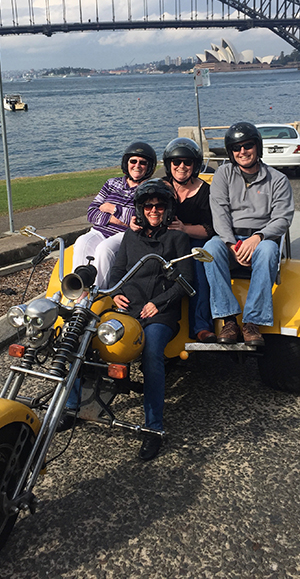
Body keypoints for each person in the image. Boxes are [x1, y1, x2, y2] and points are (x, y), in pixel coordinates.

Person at [109, 178, 194, 461]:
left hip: (161, 313)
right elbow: (117, 269)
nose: (154, 210)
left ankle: (153, 428)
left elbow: (185, 282)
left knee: (152, 353)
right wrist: (116, 293)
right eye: (148, 206)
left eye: (159, 205)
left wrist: (157, 304)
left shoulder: (178, 239)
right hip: (129, 308)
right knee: (90, 341)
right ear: (140, 209)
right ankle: (73, 406)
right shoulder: (130, 236)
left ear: (167, 208)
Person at [204, 122, 294, 346]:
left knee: (268, 249)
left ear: (257, 146)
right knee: (209, 249)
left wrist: (258, 238)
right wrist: (231, 243)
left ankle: (253, 322)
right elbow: (220, 211)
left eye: (247, 145)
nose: (242, 151)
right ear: (231, 152)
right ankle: (228, 319)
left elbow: (282, 218)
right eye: (236, 148)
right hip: (230, 239)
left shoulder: (278, 180)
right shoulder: (223, 174)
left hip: (260, 239)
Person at [71, 141, 157, 287]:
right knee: (81, 242)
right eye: (133, 161)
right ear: (126, 163)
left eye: (142, 163)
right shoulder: (111, 183)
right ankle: (76, 289)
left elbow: (140, 219)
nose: (137, 165)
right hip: (100, 230)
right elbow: (91, 212)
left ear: (149, 167)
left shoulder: (150, 189)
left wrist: (112, 208)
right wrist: (118, 219)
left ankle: (97, 294)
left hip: (126, 235)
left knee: (104, 249)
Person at [162, 137, 216, 342]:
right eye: (176, 162)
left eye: (187, 162)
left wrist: (185, 229)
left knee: (200, 270)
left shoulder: (206, 192)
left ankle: (201, 325)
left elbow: (211, 229)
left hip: (193, 241)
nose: (181, 166)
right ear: (169, 165)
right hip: (165, 241)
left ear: (195, 165)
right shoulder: (161, 187)